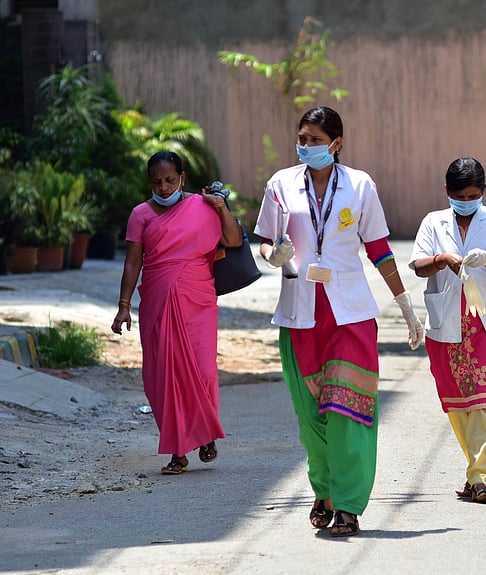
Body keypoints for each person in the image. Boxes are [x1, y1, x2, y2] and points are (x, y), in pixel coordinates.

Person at [255, 106, 424, 537]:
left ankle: (348, 505)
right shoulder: (281, 185)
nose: (307, 146)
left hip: (350, 312)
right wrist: (273, 255)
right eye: (302, 138)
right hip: (299, 312)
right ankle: (324, 489)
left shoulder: (360, 185)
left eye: (315, 139)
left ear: (336, 143)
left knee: (350, 410)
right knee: (312, 416)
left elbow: (379, 248)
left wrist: (404, 303)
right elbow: (266, 242)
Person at [111, 151, 243, 475]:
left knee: (204, 372)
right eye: (157, 181)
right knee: (162, 378)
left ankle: (206, 435)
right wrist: (123, 307)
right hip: (157, 302)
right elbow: (132, 262)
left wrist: (220, 206)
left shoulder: (202, 206)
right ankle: (178, 451)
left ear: (182, 178)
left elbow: (233, 239)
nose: (164, 186)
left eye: (170, 180)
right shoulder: (140, 214)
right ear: (149, 182)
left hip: (198, 299)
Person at [408, 157, 486, 504]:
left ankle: (481, 477)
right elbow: (418, 265)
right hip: (448, 321)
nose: (466, 200)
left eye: (473, 194)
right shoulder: (433, 222)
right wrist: (442, 260)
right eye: (459, 195)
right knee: (460, 403)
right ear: (447, 192)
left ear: (484, 192)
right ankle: (475, 470)